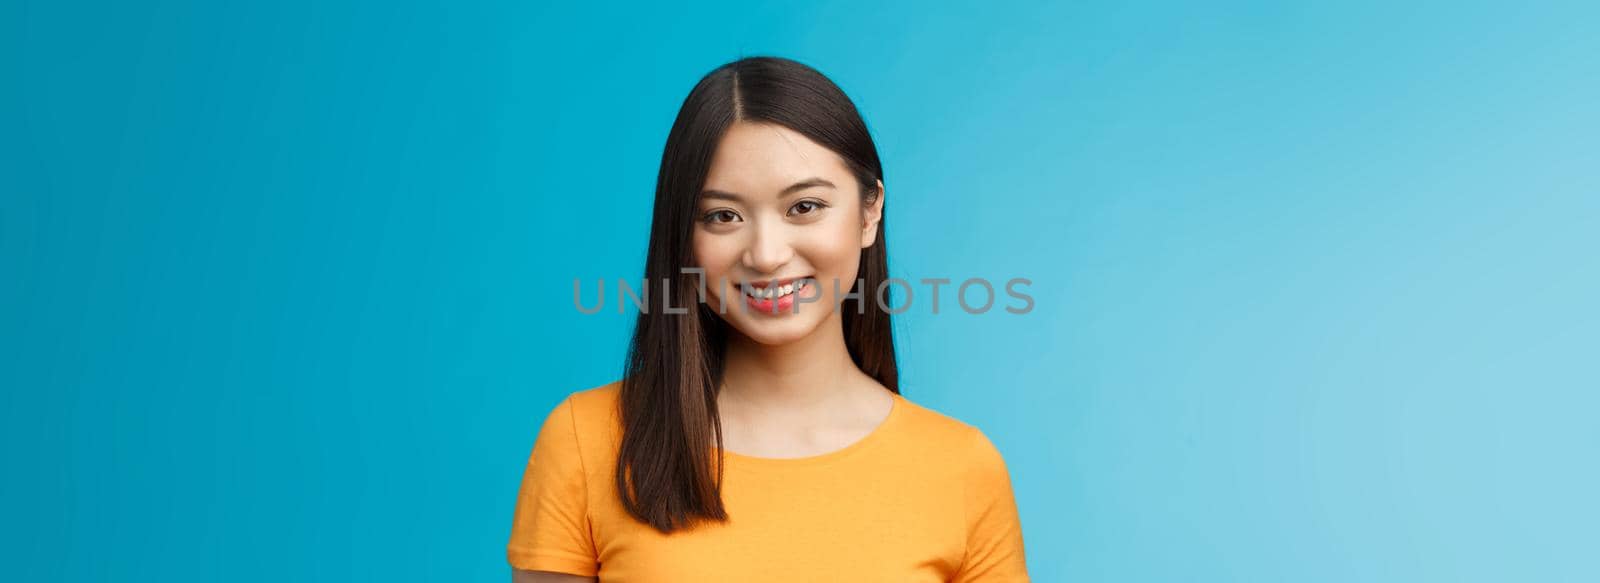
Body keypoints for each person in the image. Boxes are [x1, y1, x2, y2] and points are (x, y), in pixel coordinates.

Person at [508, 56, 1029, 582]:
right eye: (723, 216)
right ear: (684, 235)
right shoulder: (586, 440)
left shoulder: (962, 468)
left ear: (869, 212)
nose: (766, 254)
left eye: (804, 207)